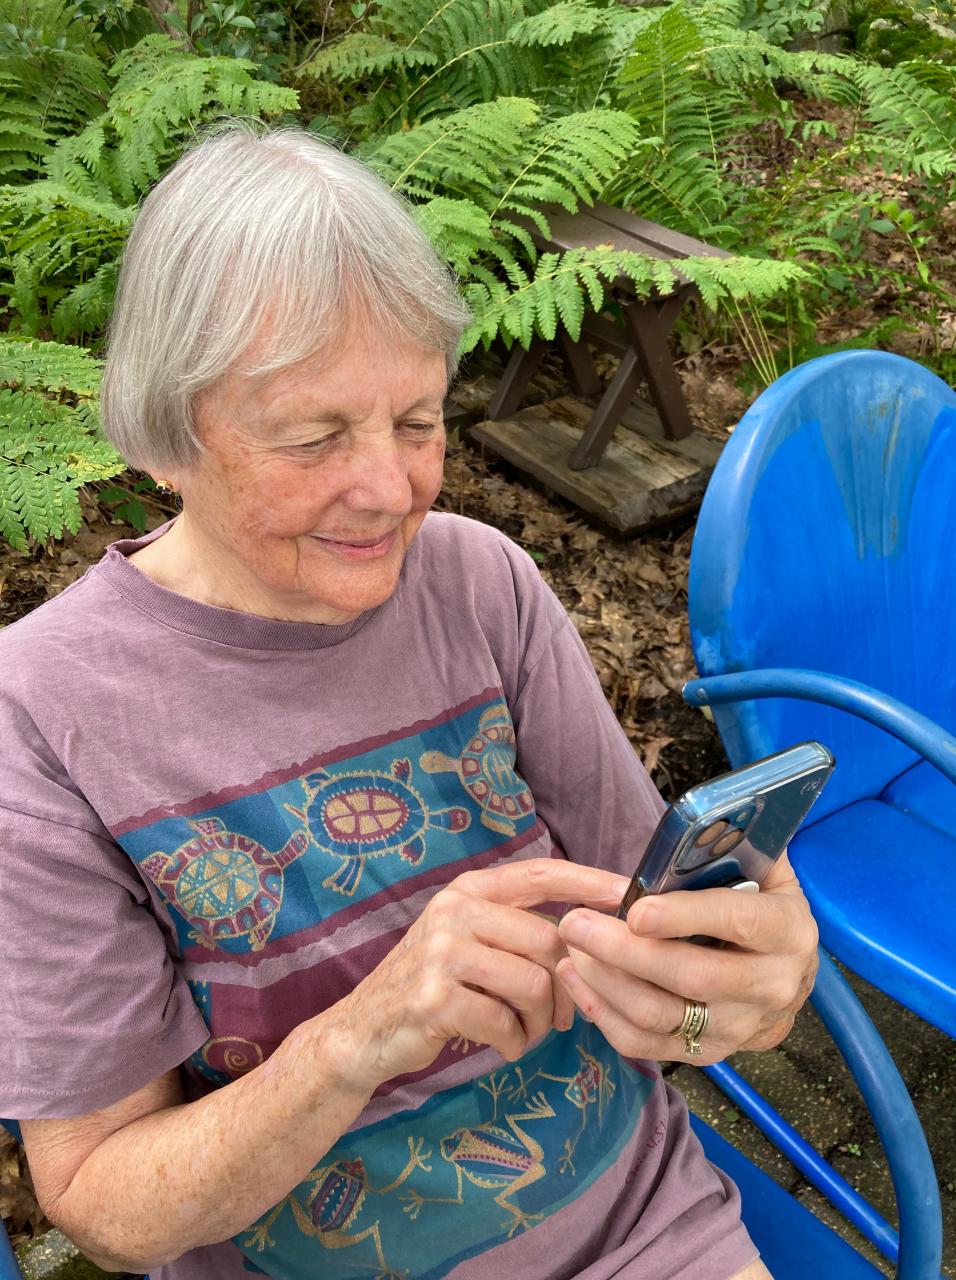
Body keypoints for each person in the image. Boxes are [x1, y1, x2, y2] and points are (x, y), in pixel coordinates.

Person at [0, 124, 818, 1280]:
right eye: (312, 435)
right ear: (167, 438)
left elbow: (660, 935)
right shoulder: (42, 717)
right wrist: (360, 1038)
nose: (391, 490)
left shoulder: (481, 583)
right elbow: (104, 1203)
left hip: (645, 1229)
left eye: (418, 420)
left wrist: (740, 993)